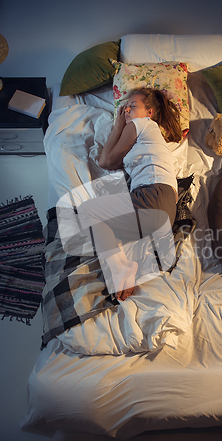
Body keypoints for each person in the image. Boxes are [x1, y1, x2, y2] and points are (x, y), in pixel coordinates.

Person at [77, 87, 183, 301]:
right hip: (163, 209)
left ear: (150, 112)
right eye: (125, 107)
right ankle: (124, 267)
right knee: (102, 227)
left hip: (153, 197)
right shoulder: (148, 137)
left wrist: (117, 127)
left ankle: (120, 268)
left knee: (86, 211)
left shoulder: (140, 124)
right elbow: (109, 162)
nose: (126, 110)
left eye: (133, 106)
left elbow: (105, 161)